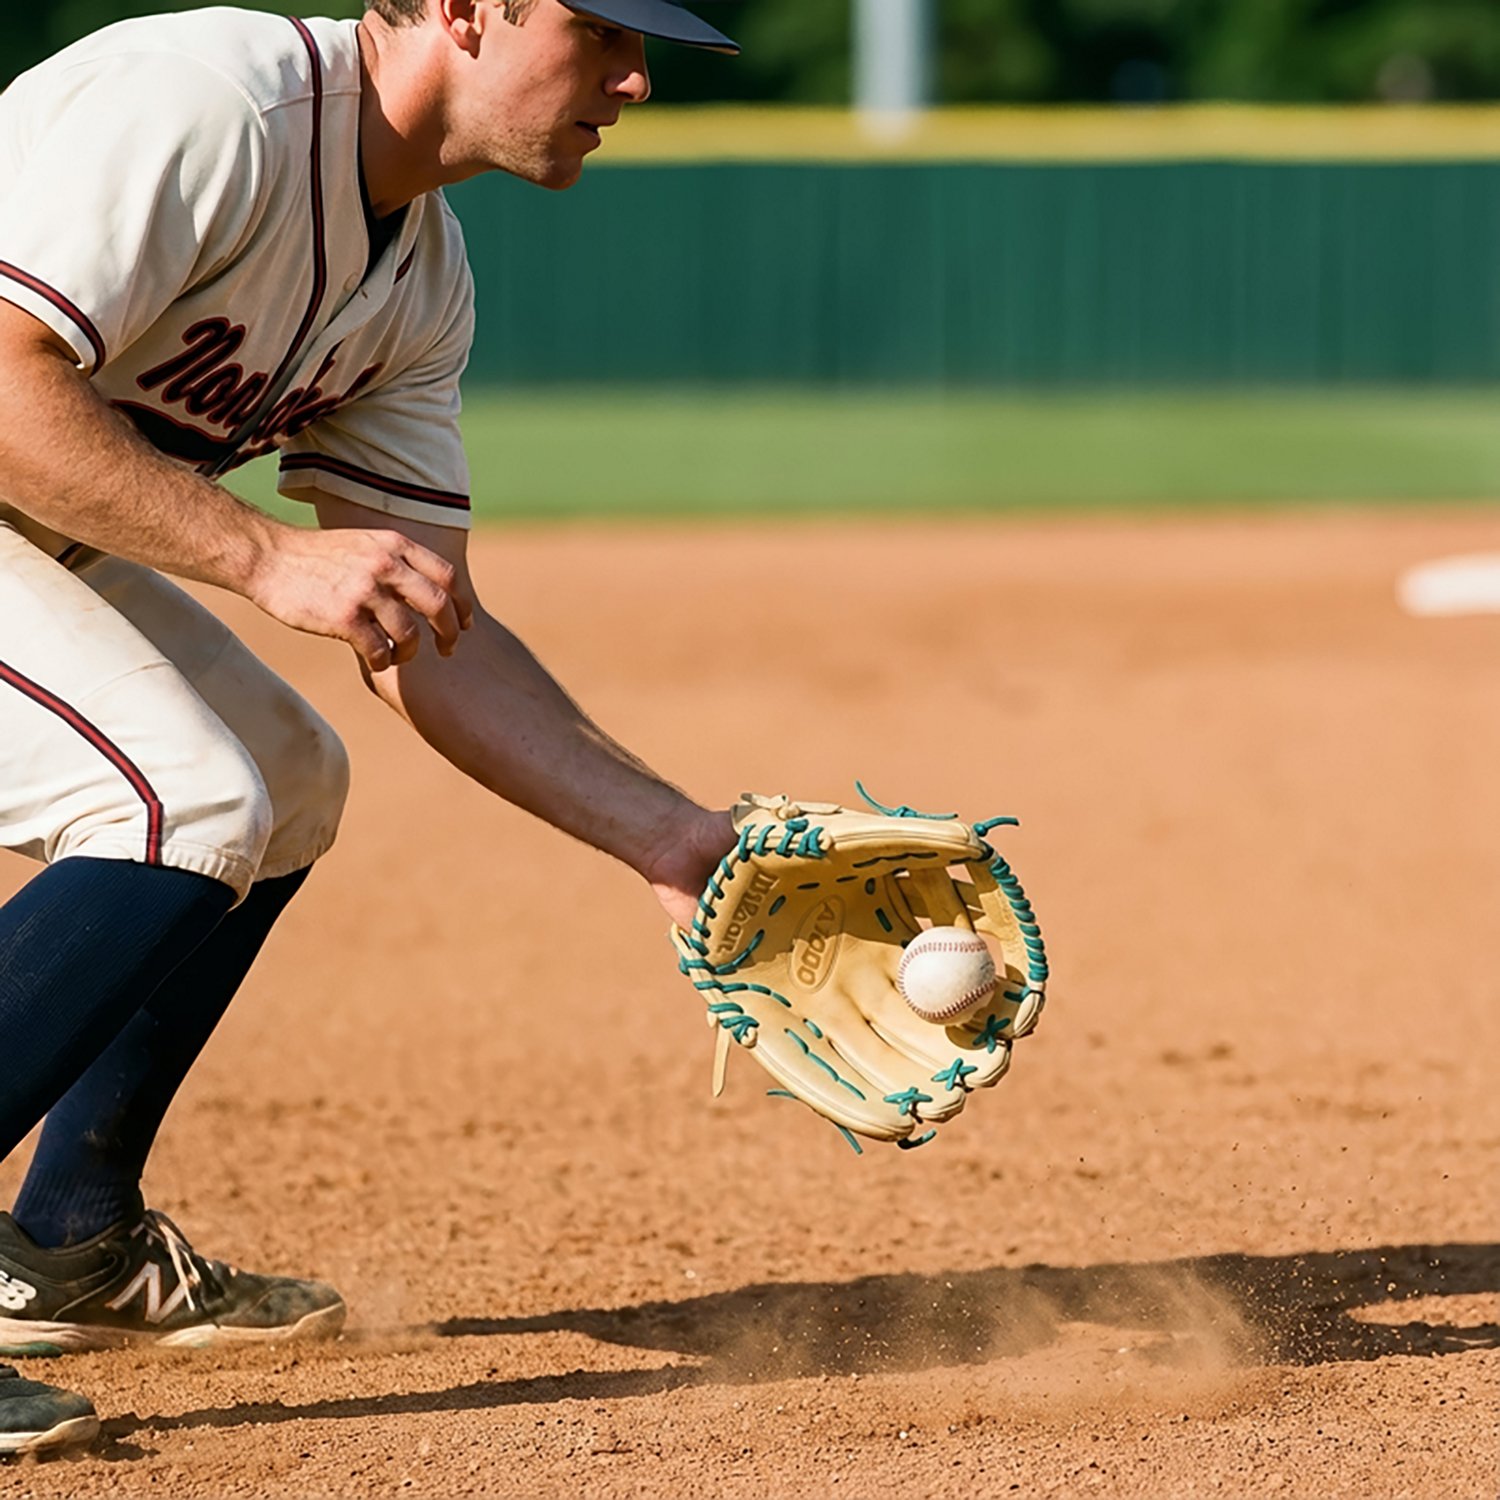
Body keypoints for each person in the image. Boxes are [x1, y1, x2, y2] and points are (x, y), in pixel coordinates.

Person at [0, 0, 738, 1456]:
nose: (635, 78)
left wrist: (673, 837)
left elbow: (424, 623)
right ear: (463, 9)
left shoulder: (418, 284)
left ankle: (68, 1242)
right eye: (600, 34)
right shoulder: (212, 105)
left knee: (284, 777)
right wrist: (268, 558)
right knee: (178, 803)